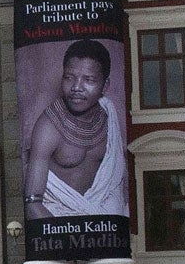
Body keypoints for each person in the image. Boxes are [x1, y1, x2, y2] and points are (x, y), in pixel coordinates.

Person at [25, 38, 127, 218]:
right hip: (58, 221)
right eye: (69, 78)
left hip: (104, 221)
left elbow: (114, 183)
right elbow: (33, 203)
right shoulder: (48, 127)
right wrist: (65, 236)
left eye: (88, 79)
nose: (76, 87)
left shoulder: (108, 115)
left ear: (105, 85)